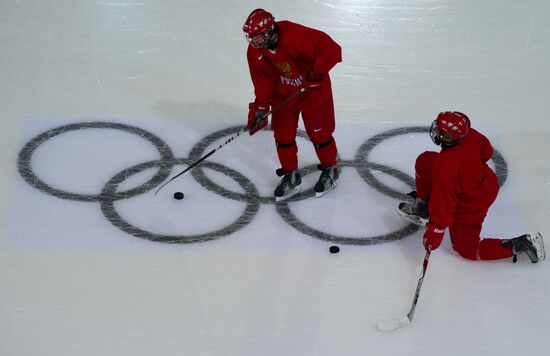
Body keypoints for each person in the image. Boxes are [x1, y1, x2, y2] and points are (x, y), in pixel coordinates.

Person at [398, 111, 545, 263]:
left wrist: (434, 234)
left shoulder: (446, 167)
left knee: (468, 249)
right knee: (424, 162)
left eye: (442, 132)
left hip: (473, 203)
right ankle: (424, 205)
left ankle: (521, 245)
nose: (436, 132)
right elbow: (487, 151)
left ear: (451, 138)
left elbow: (443, 204)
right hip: (486, 182)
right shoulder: (469, 134)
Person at [242, 9, 342, 201]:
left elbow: (330, 47)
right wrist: (260, 108)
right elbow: (262, 80)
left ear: (269, 31)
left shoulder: (294, 35)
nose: (253, 42)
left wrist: (316, 73)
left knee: (320, 134)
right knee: (283, 135)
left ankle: (330, 168)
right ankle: (291, 175)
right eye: (250, 38)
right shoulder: (255, 52)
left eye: (257, 37)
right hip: (284, 95)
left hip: (313, 91)